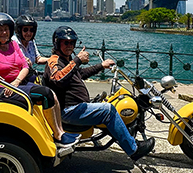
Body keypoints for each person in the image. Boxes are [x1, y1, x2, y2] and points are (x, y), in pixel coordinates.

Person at [0, 13, 79, 147]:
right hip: (1, 88)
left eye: (6, 29)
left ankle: (60, 132)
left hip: (16, 85)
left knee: (52, 94)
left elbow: (25, 66)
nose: (4, 32)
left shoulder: (13, 45)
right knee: (46, 95)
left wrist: (16, 82)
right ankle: (57, 135)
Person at [43, 26, 154, 161]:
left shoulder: (66, 61)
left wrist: (101, 65)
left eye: (72, 43)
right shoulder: (54, 60)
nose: (69, 46)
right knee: (108, 110)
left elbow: (81, 73)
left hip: (77, 107)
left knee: (108, 102)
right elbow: (58, 79)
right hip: (68, 111)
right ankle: (133, 149)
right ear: (57, 43)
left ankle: (126, 137)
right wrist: (77, 60)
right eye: (66, 42)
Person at [12, 15, 47, 84]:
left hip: (30, 76)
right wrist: (22, 59)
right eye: (25, 30)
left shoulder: (31, 42)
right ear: (19, 30)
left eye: (32, 30)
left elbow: (38, 59)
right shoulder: (13, 42)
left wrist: (52, 59)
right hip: (18, 78)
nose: (29, 33)